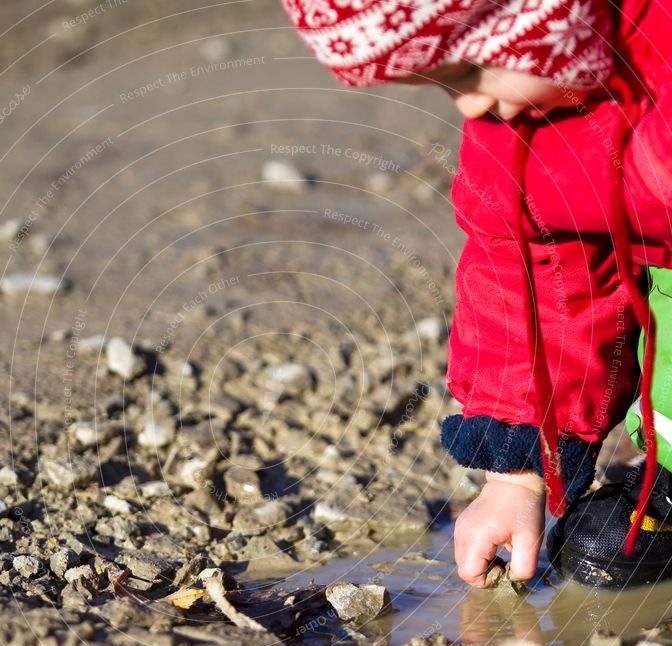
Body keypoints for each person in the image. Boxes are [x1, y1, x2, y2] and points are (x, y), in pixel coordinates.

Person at [281, 0, 672, 588]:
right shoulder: (524, 123)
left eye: (467, 72)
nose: (470, 104)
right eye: (443, 86)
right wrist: (517, 477)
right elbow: (534, 278)